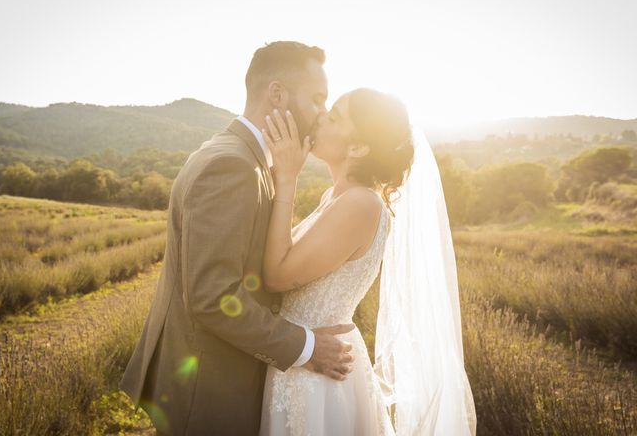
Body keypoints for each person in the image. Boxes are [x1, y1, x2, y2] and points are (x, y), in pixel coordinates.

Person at [119, 41, 357, 435]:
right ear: (276, 93)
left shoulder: (241, 156)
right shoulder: (233, 166)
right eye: (317, 99)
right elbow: (212, 295)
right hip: (209, 388)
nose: (321, 113)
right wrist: (306, 347)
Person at [258, 88, 477, 435]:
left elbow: (277, 275)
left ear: (358, 147)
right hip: (306, 363)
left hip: (320, 378)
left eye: (334, 117)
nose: (319, 117)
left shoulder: (361, 204)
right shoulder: (336, 196)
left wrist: (287, 177)